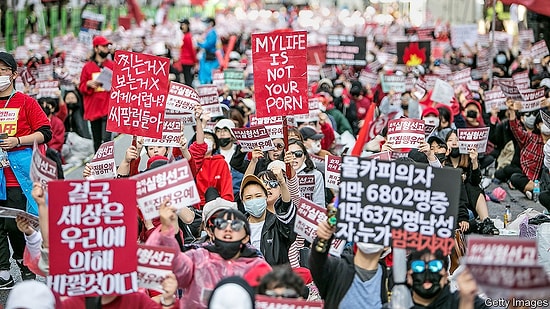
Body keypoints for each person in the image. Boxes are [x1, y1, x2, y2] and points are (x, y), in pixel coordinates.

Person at [146, 203, 271, 308]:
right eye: (220, 224)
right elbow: (175, 266)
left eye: (236, 225)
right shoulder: (196, 258)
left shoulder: (259, 267)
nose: (228, 229)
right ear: (212, 232)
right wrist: (169, 229)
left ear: (246, 237)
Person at [0, 52, 52, 286]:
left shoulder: (25, 102)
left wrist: (17, 141)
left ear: (12, 74)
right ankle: (3, 271)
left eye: (3, 70)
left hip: (16, 177)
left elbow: (45, 133)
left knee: (14, 223)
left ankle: (24, 263)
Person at [309, 219, 390, 308]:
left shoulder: (389, 277)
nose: (370, 235)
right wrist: (322, 239)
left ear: (387, 245)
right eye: (366, 229)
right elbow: (318, 261)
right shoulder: (336, 269)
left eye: (378, 231)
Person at [240, 171, 296, 266]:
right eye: (249, 198)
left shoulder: (278, 223)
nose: (254, 201)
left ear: (266, 197)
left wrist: (282, 182)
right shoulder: (238, 227)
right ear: (243, 201)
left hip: (276, 278)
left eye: (258, 196)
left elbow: (286, 208)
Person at [407, 249, 488, 309]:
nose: (427, 272)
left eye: (435, 266)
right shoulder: (398, 303)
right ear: (408, 276)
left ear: (446, 276)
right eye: (418, 266)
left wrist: (466, 302)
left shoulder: (467, 300)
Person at [79, 35, 114, 152]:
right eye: (103, 46)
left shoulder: (112, 65)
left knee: (107, 140)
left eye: (107, 46)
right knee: (97, 141)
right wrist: (88, 84)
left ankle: (108, 164)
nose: (106, 48)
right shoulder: (87, 68)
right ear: (96, 48)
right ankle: (98, 165)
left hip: (108, 108)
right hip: (93, 109)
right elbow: (81, 87)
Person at [197, 17, 220, 84]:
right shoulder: (208, 32)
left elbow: (208, 45)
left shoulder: (212, 33)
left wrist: (200, 43)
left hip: (210, 57)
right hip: (207, 56)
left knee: (208, 74)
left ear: (211, 23)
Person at [179, 19, 197, 86]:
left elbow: (192, 50)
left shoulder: (188, 36)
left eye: (183, 25)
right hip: (185, 61)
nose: (181, 26)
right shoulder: (185, 36)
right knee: (187, 78)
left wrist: (195, 61)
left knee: (188, 79)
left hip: (188, 61)